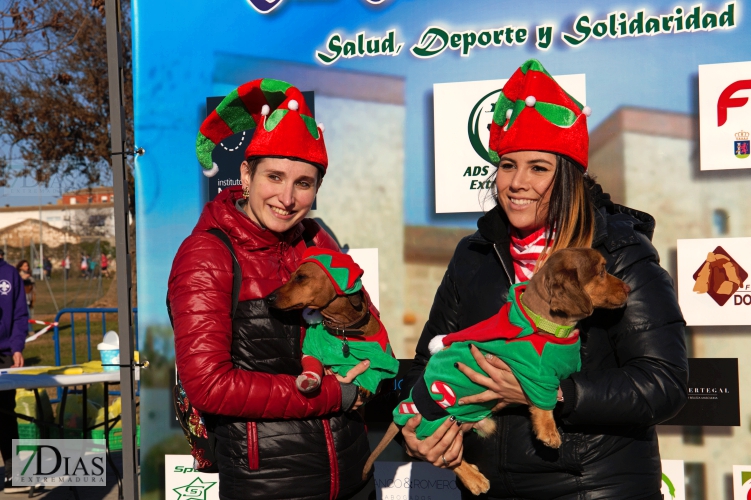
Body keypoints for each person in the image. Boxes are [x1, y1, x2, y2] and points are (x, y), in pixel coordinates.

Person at [399, 60, 688, 499]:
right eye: (508, 165)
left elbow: (663, 383)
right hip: (491, 489)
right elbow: (428, 362)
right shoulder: (474, 254)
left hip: (592, 486)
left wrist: (555, 394)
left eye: (538, 168)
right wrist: (421, 429)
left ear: (569, 176)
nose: (517, 183)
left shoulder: (618, 252)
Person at [168, 79, 374, 500]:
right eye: (274, 177)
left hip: (355, 475)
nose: (287, 197)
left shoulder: (317, 242)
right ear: (245, 174)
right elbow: (209, 384)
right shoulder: (206, 254)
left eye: (303, 182)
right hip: (269, 485)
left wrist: (371, 369)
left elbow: (366, 326)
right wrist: (331, 394)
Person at [0, 249, 28, 492]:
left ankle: (13, 472)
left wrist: (17, 346)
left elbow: (20, 315)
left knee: (6, 412)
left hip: (5, 354)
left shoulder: (10, 274)